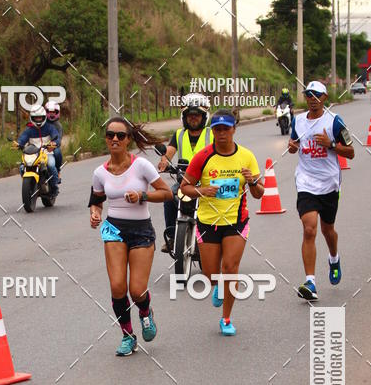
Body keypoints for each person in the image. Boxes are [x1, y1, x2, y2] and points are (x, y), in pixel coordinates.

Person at [89, 118, 172, 356]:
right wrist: (95, 214)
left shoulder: (141, 166)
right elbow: (96, 201)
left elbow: (166, 193)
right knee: (117, 287)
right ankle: (127, 336)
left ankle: (145, 312)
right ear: (106, 139)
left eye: (120, 135)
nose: (115, 139)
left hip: (141, 230)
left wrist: (142, 196)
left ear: (128, 140)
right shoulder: (99, 172)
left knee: (136, 291)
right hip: (113, 229)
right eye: (110, 135)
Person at [180, 109, 264, 336]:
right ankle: (216, 286)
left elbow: (259, 193)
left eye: (226, 129)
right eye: (217, 129)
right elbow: (185, 187)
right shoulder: (203, 157)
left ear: (234, 129)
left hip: (236, 221)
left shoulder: (246, 156)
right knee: (211, 274)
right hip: (208, 222)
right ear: (213, 131)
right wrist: (202, 190)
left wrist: (252, 182)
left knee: (230, 268)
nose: (222, 133)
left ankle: (226, 318)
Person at [288, 80, 354, 300]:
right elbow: (294, 144)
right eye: (309, 95)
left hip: (329, 183)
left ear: (325, 98)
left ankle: (334, 258)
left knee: (328, 230)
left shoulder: (334, 122)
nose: (312, 99)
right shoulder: (297, 121)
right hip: (306, 182)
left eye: (317, 95)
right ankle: (311, 282)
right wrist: (292, 147)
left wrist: (331, 144)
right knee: (309, 229)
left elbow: (351, 152)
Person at [158, 93, 211, 251]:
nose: (193, 118)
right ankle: (172, 237)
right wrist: (164, 162)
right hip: (185, 181)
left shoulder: (212, 134)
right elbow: (169, 153)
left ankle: (218, 235)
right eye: (190, 115)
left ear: (204, 117)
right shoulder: (179, 134)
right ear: (184, 117)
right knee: (169, 196)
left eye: (197, 115)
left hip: (207, 181)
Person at [17, 105, 60, 194]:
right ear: (32, 118)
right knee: (22, 167)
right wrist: (19, 144)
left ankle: (54, 186)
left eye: (40, 117)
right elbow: (22, 138)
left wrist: (54, 143)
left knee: (51, 165)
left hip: (46, 153)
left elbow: (56, 136)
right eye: (36, 118)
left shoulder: (49, 127)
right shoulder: (29, 130)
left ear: (44, 117)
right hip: (32, 154)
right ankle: (28, 185)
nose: (38, 119)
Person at [45, 100, 63, 175]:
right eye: (49, 112)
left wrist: (54, 144)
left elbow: (59, 138)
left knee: (57, 152)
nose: (51, 114)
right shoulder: (42, 122)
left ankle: (58, 170)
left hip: (53, 146)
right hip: (41, 145)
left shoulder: (58, 126)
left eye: (53, 112)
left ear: (57, 113)